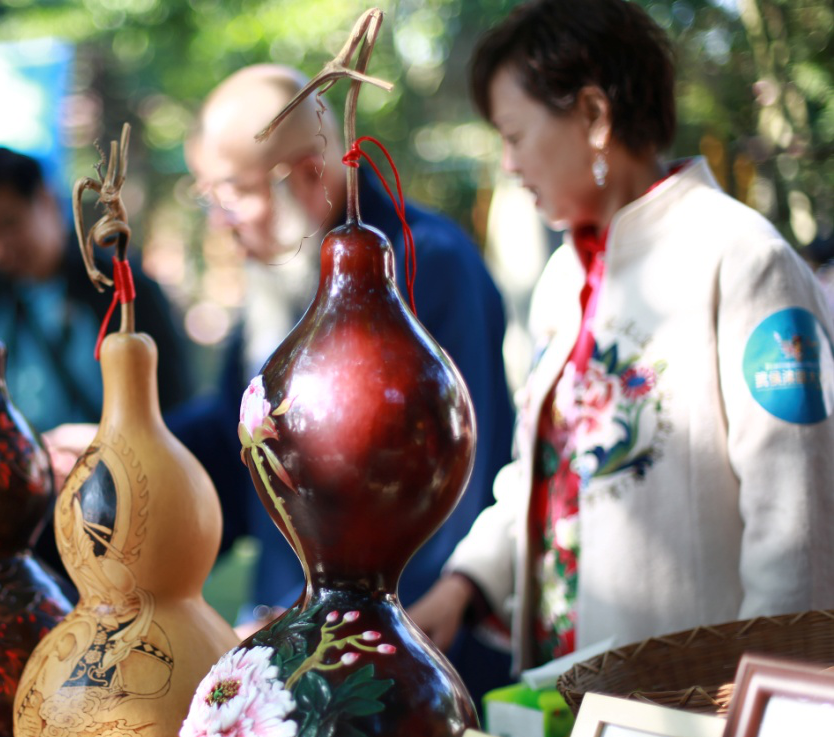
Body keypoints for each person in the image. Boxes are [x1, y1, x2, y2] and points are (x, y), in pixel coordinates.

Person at [409, 0, 834, 673]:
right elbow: (545, 467)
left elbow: (797, 522)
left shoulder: (741, 257)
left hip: (693, 710)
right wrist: (466, 581)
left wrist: (765, 708)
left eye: (514, 135)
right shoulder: (564, 275)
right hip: (564, 697)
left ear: (593, 115)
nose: (508, 164)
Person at [170, 64, 516, 699]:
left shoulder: (426, 265)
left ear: (306, 174)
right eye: (210, 198)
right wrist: (135, 449)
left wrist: (333, 620)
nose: (221, 221)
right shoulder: (283, 272)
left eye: (231, 194)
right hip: (293, 630)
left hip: (406, 644)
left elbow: (454, 478)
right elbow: (235, 436)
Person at [0, 147, 193, 434]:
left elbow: (175, 407)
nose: (1, 246)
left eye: (10, 223)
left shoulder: (123, 292)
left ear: (46, 201)